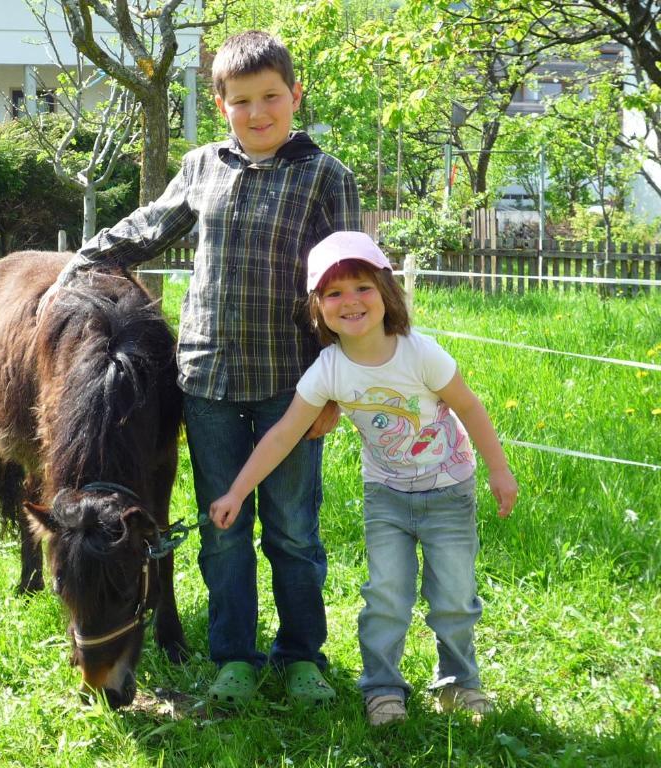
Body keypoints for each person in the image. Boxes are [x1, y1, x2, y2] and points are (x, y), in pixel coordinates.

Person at [41, 30, 360, 707]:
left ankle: (302, 655)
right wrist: (77, 265)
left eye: (271, 96)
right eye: (241, 100)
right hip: (207, 385)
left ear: (294, 96)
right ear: (221, 105)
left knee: (293, 530)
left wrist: (340, 387)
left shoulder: (326, 177)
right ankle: (235, 658)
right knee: (224, 527)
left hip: (294, 390)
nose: (258, 112)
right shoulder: (203, 168)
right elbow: (147, 226)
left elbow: (348, 285)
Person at [210, 231, 518, 726]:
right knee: (387, 596)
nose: (349, 301)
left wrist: (499, 472)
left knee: (454, 595)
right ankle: (381, 687)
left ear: (386, 292)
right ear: (318, 307)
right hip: (387, 498)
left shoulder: (419, 353)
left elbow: (469, 407)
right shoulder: (328, 369)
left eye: (361, 288)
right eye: (334, 293)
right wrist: (238, 490)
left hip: (449, 492)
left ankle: (459, 682)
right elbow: (284, 434)